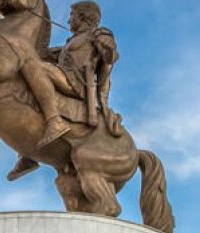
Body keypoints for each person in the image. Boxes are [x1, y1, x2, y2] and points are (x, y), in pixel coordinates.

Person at [7, 1, 120, 181]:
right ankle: (26, 153)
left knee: (31, 66)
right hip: (64, 78)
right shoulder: (70, 43)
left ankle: (55, 122)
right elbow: (41, 54)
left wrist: (108, 45)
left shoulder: (97, 34)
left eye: (71, 16)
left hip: (77, 84)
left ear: (83, 16)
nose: (68, 21)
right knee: (27, 76)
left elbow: (110, 57)